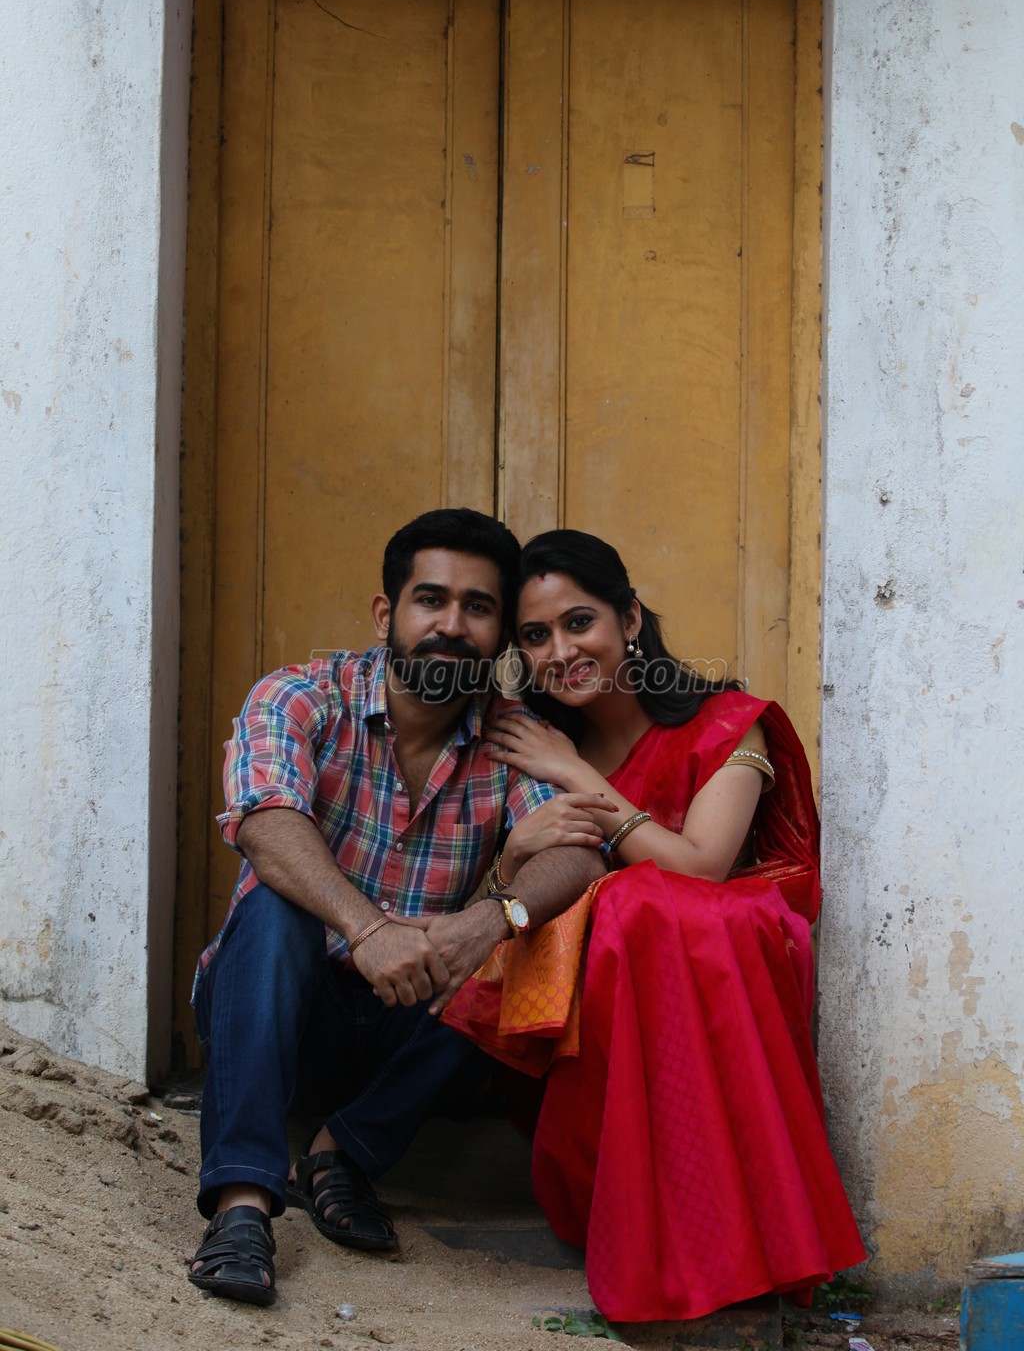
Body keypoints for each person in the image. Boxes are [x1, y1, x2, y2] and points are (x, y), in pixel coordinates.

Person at [187, 509, 610, 1308]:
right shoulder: (302, 696)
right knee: (277, 909)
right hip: (284, 1008)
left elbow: (579, 854)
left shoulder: (513, 735)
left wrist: (489, 920)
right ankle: (243, 1206)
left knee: (527, 932)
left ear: (499, 635)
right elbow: (267, 822)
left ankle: (340, 1154)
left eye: (478, 608)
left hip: (410, 1018)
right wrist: (367, 928)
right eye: (431, 600)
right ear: (388, 614)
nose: (451, 626)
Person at [453, 529, 866, 1323]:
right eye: (535, 636)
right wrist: (515, 853)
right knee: (618, 913)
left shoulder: (724, 723)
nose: (561, 651)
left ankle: (718, 1238)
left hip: (713, 975)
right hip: (592, 1002)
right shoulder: (531, 745)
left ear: (631, 619)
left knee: (641, 906)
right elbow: (510, 894)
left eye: (580, 622)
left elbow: (701, 867)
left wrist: (576, 776)